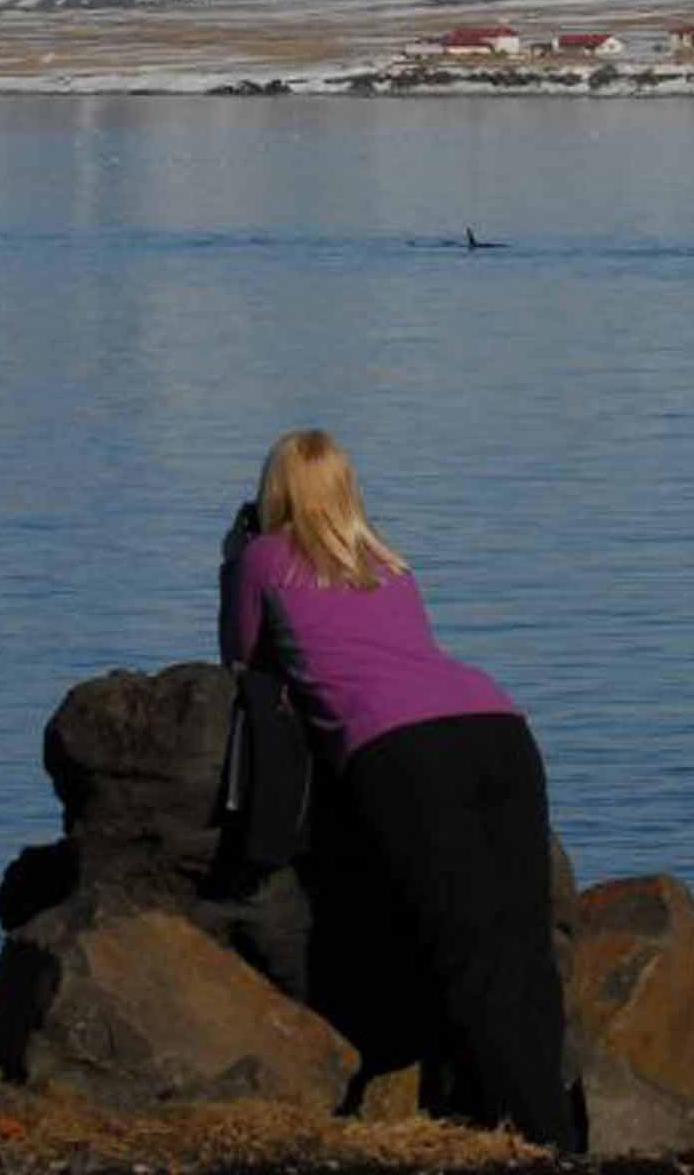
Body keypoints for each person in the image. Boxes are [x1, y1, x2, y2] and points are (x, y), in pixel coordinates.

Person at [219, 428, 571, 1148]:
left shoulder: (263, 558)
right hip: (497, 727)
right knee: (523, 947)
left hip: (403, 749)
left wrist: (233, 565)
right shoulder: (389, 564)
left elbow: (240, 657)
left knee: (466, 953)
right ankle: (553, 1129)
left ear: (275, 491)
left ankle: (533, 1143)